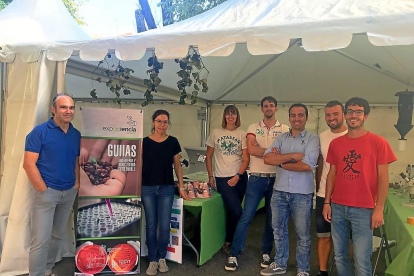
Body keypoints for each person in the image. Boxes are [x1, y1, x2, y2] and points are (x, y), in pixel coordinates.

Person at [323, 97, 397, 276]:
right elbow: (332, 174)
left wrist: (379, 209)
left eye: (358, 112)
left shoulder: (378, 143)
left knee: (361, 259)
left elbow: (383, 178)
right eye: (350, 111)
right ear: (345, 115)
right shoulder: (336, 143)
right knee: (340, 255)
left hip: (364, 209)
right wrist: (327, 202)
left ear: (366, 116)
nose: (353, 115)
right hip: (338, 206)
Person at [225, 97, 289, 271]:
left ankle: (266, 252)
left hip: (277, 180)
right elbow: (251, 150)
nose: (268, 108)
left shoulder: (285, 129)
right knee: (246, 217)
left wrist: (269, 154)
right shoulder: (253, 127)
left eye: (271, 105)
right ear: (261, 109)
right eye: (265, 106)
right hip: (256, 178)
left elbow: (286, 153)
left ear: (276, 108)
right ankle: (234, 254)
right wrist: (273, 154)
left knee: (271, 218)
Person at [23, 93, 81, 276]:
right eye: (63, 107)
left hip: (68, 192)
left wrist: (76, 184)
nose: (68, 111)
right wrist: (42, 188)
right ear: (53, 109)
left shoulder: (75, 134)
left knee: (56, 236)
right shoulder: (39, 132)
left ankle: (47, 269)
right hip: (47, 194)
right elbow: (28, 164)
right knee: (40, 240)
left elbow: (76, 160)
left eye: (71, 107)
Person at [261, 103, 320, 276]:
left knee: (302, 234)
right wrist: (293, 157)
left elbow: (308, 165)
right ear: (289, 118)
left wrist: (280, 161)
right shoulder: (281, 138)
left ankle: (303, 269)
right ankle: (280, 263)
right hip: (279, 191)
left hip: (302, 194)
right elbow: (267, 158)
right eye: (293, 115)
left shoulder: (312, 138)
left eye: (300, 115)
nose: (296, 118)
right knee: (278, 230)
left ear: (306, 118)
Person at [142, 109, 190, 276]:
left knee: (164, 226)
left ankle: (162, 257)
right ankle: (152, 260)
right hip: (147, 188)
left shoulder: (172, 142)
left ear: (168, 123)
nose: (162, 124)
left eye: (165, 121)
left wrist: (182, 187)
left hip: (166, 188)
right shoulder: (144, 142)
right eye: (159, 121)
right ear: (153, 122)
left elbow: (177, 166)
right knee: (151, 225)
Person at [206, 105, 250, 255]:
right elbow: (209, 156)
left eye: (233, 114)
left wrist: (238, 176)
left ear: (237, 117)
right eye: (228, 114)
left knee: (234, 211)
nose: (231, 116)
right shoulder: (216, 133)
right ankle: (233, 240)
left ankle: (231, 242)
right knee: (237, 211)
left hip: (240, 177)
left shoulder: (242, 134)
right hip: (222, 178)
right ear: (224, 116)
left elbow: (246, 159)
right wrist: (211, 176)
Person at [314, 101, 348, 276]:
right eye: (328, 115)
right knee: (324, 235)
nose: (331, 118)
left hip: (347, 196)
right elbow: (320, 164)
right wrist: (319, 188)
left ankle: (346, 271)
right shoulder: (322, 136)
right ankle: (323, 271)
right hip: (324, 195)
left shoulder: (353, 134)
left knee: (347, 238)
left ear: (343, 114)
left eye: (335, 114)